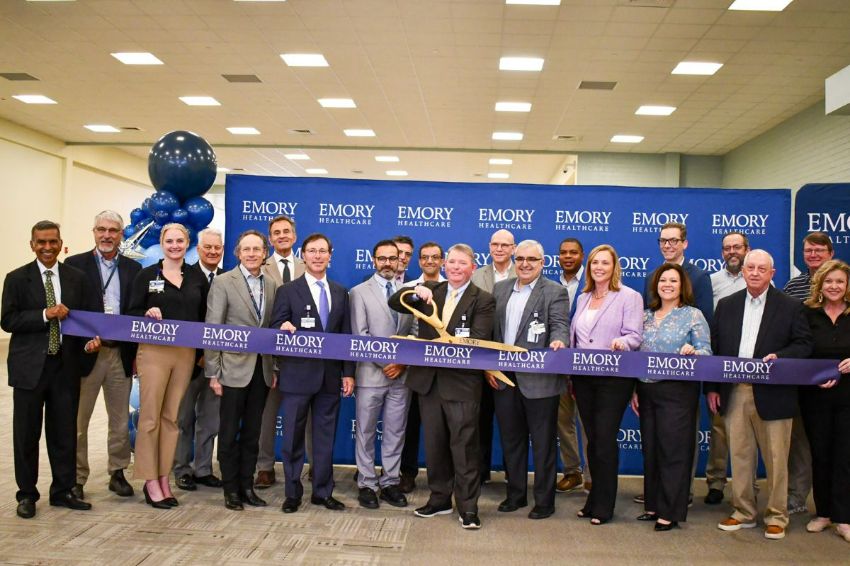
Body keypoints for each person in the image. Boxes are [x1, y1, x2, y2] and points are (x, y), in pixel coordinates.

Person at [707, 249, 813, 540]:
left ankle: (777, 515)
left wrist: (781, 356)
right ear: (743, 270)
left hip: (774, 392)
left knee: (777, 459)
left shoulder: (790, 306)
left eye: (761, 268)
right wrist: (713, 387)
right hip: (735, 391)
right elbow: (716, 350)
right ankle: (744, 512)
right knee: (740, 456)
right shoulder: (726, 305)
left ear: (772, 274)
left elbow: (804, 344)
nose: (754, 272)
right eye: (750, 267)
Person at [389, 243, 495, 530]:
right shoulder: (430, 291)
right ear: (444, 265)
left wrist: (445, 340)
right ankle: (439, 499)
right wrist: (414, 291)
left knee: (464, 447)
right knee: (434, 446)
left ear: (472, 267)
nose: (456, 267)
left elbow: (479, 338)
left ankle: (468, 507)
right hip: (428, 382)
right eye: (452, 263)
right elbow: (396, 302)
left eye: (463, 263)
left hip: (461, 384)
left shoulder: (482, 299)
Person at [2, 220, 99, 519]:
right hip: (29, 369)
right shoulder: (17, 278)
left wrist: (89, 344)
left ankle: (62, 490)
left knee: (64, 434)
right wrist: (46, 314)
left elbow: (84, 321)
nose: (47, 247)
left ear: (60, 243)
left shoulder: (76, 278)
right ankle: (27, 494)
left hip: (65, 368)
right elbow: (8, 320)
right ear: (32, 245)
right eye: (41, 242)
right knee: (26, 436)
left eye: (52, 241)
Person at [270, 232, 355, 513]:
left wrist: (348, 373)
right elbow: (276, 325)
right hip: (296, 376)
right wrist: (282, 327)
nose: (318, 256)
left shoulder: (341, 292)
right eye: (312, 251)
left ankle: (322, 491)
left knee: (324, 438)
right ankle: (292, 493)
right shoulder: (287, 291)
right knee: (293, 437)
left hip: (330, 378)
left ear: (330, 256)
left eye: (323, 251)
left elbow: (346, 336)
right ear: (303, 256)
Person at [128, 223, 208, 509]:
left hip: (184, 355)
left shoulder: (197, 277)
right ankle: (150, 480)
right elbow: (131, 312)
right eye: (169, 240)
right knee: (150, 417)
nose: (175, 245)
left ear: (188, 243)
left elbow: (203, 320)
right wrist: (146, 312)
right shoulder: (147, 275)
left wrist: (201, 355)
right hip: (153, 353)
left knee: (171, 418)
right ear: (162, 243)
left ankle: (164, 476)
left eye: (180, 240)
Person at [487, 239, 569, 520]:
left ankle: (544, 500)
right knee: (511, 440)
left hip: (540, 379)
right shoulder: (500, 288)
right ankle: (516, 495)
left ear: (542, 263)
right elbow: (492, 332)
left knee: (544, 443)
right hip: (504, 378)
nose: (524, 264)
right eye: (520, 258)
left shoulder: (554, 291)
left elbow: (559, 326)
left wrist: (559, 342)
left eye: (531, 260)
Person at [66, 210, 140, 500]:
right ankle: (76, 477)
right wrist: (86, 339)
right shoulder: (74, 265)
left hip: (119, 353)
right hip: (87, 353)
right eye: (101, 229)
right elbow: (69, 310)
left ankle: (118, 472)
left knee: (120, 420)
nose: (107, 235)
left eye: (113, 230)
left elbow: (134, 311)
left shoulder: (134, 270)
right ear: (93, 232)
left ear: (121, 234)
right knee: (79, 420)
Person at [632, 263, 711, 531]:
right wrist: (634, 389)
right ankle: (653, 505)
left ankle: (671, 511)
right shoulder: (643, 316)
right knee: (651, 449)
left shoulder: (693, 315)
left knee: (673, 451)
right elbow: (635, 355)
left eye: (673, 281)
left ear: (682, 286)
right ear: (655, 285)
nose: (667, 284)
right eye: (662, 280)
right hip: (646, 389)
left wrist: (693, 351)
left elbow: (706, 353)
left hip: (678, 391)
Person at [205, 230, 279, 510]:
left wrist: (273, 368)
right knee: (228, 433)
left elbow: (270, 329)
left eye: (256, 249)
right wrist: (213, 372)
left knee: (252, 433)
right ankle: (230, 490)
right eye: (246, 249)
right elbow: (213, 328)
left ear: (264, 253)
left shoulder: (271, 285)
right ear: (237, 253)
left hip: (261, 370)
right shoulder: (224, 282)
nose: (251, 254)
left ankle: (247, 486)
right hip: (231, 370)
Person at [570, 244, 643, 525]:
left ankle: (604, 505)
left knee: (604, 440)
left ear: (615, 267)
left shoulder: (629, 297)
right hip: (584, 378)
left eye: (605, 263)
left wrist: (622, 342)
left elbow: (636, 335)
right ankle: (593, 500)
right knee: (591, 441)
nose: (599, 267)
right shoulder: (583, 298)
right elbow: (578, 338)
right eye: (595, 263)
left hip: (613, 379)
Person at [350, 240, 413, 509]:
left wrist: (402, 364)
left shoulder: (409, 293)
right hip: (370, 375)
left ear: (400, 260)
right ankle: (366, 482)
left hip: (402, 376)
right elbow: (359, 335)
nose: (387, 263)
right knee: (364, 431)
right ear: (373, 260)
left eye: (392, 258)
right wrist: (386, 362)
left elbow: (415, 335)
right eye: (382, 258)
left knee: (395, 431)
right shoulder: (358, 292)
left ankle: (389, 482)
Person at [783, 232, 834, 515]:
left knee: (835, 442)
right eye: (808, 250)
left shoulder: (843, 281)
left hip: (837, 375)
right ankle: (797, 496)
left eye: (819, 250)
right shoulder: (794, 285)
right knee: (800, 439)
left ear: (830, 252)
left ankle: (836, 504)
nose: (813, 254)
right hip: (800, 375)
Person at [799, 259, 850, 542]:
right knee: (820, 454)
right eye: (829, 281)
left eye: (839, 282)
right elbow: (801, 348)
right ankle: (823, 513)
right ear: (820, 284)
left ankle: (844, 518)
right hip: (815, 395)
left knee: (845, 456)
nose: (834, 286)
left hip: (848, 397)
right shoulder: (807, 313)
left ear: (847, 286)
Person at [255, 214, 306, 490]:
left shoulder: (308, 265)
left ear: (294, 236)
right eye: (277, 233)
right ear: (270, 238)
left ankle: (309, 465)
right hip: (268, 355)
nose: (282, 236)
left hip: (301, 357)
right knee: (267, 415)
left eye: (287, 231)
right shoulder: (259, 268)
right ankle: (264, 467)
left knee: (304, 416)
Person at [174, 228, 224, 492]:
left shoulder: (228, 279)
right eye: (208, 248)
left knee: (210, 420)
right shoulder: (184, 275)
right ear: (198, 249)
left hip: (218, 365)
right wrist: (199, 355)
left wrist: (212, 357)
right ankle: (181, 469)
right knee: (183, 420)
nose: (213, 252)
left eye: (217, 248)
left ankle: (203, 469)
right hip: (188, 362)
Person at [704, 231, 750, 505]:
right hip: (722, 360)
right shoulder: (712, 282)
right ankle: (716, 482)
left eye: (737, 247)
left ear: (747, 249)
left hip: (753, 363)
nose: (732, 252)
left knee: (751, 432)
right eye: (727, 248)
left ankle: (748, 488)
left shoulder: (763, 277)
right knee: (719, 427)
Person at [399, 241, 445, 493]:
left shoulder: (452, 288)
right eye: (425, 257)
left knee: (443, 425)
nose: (429, 261)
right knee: (411, 421)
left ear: (442, 260)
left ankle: (443, 476)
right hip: (414, 367)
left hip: (445, 367)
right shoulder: (407, 289)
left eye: (434, 257)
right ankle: (407, 472)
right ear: (419, 262)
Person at [471, 229, 516, 484]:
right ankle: (480, 473)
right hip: (480, 358)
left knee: (512, 424)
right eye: (495, 244)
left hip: (511, 359)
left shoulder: (522, 272)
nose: (499, 249)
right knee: (480, 419)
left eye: (505, 245)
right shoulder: (477, 275)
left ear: (513, 248)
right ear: (489, 247)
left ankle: (514, 474)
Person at [555, 237, 591, 494]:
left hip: (585, 363)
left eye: (573, 253)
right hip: (557, 363)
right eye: (563, 253)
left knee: (588, 420)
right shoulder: (550, 284)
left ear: (582, 255)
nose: (568, 257)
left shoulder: (592, 283)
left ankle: (592, 474)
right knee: (562, 420)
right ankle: (572, 471)